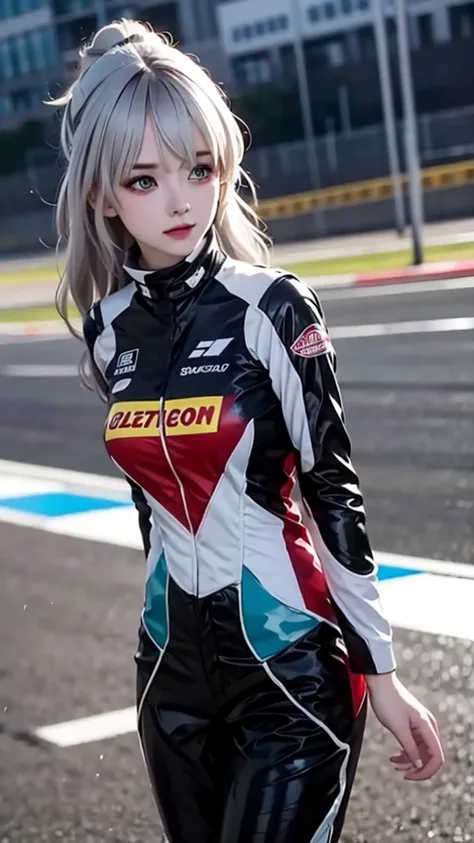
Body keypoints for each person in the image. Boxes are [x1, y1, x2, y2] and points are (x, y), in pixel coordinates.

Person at [49, 18, 444, 843]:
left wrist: (384, 671)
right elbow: (150, 510)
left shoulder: (274, 306)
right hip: (169, 675)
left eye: (200, 167)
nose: (184, 198)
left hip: (291, 672)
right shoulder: (109, 328)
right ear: (102, 194)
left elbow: (333, 488)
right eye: (145, 179)